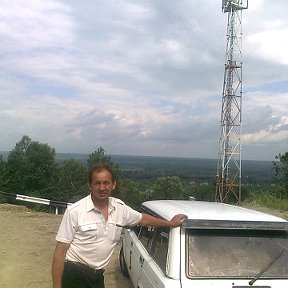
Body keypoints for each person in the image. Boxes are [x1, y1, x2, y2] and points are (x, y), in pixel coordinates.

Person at [52, 164, 186, 288]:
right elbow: (59, 253)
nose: (102, 188)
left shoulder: (120, 208)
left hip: (98, 277)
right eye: (97, 183)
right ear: (89, 185)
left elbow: (143, 219)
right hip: (75, 274)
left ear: (113, 184)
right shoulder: (75, 211)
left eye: (106, 183)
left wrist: (170, 223)